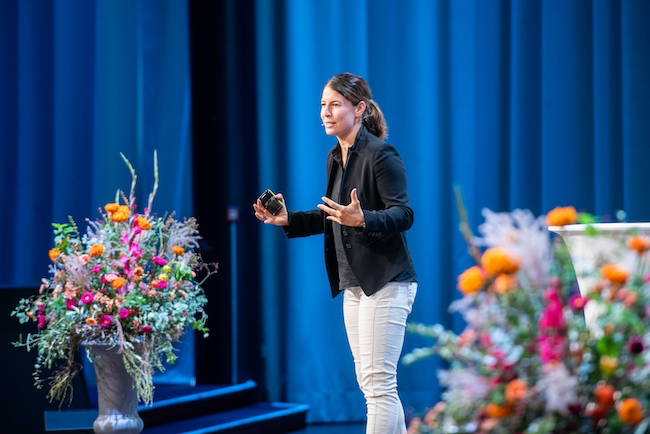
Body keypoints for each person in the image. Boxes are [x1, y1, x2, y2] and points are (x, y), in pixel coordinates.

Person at [253, 72, 417, 434]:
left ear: (359, 109)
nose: (325, 113)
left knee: (378, 386)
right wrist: (288, 219)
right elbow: (333, 215)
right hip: (354, 284)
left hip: (386, 280)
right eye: (323, 106)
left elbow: (403, 214)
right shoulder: (335, 156)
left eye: (334, 105)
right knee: (372, 385)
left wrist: (364, 219)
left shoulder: (380, 153)